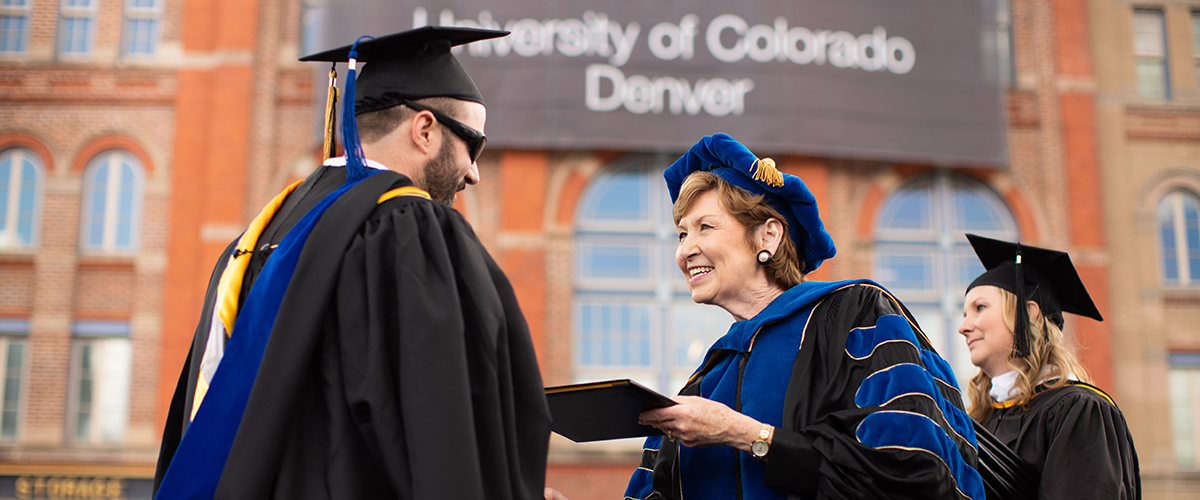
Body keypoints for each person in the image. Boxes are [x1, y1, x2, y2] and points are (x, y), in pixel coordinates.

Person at [153, 27, 550, 500]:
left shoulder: (260, 234)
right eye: (474, 145)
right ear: (425, 129)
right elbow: (446, 431)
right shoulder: (408, 229)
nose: (474, 172)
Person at [617, 134, 984, 500]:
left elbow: (910, 470)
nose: (684, 251)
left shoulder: (852, 315)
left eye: (705, 227)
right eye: (681, 234)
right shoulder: (707, 379)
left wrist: (745, 434)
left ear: (768, 236)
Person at [958, 234, 1140, 499]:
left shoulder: (1078, 411)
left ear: (1029, 313)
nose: (963, 327)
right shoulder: (978, 421)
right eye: (965, 314)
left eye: (980, 308)